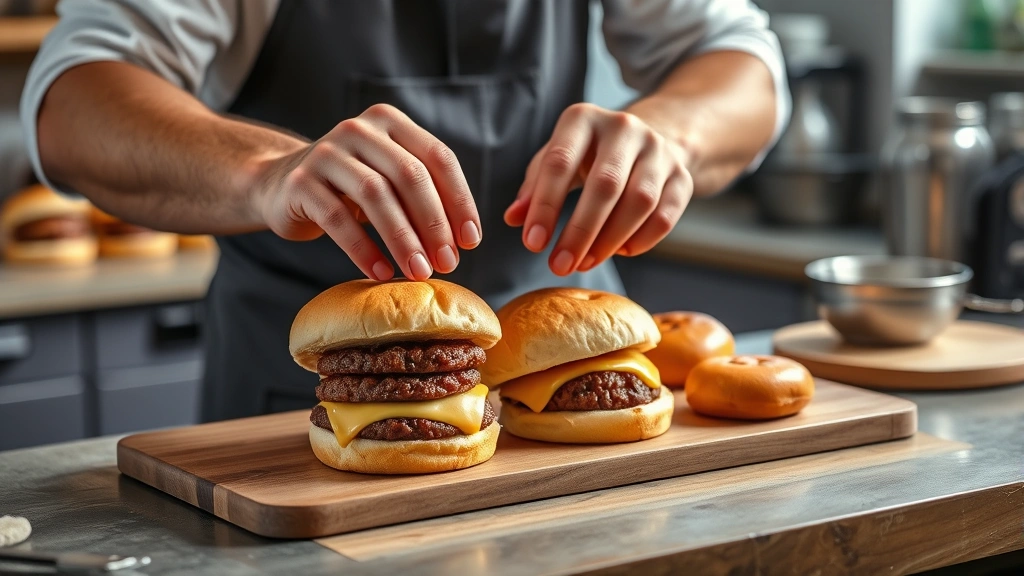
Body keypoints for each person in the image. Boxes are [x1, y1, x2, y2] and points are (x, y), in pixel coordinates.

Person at [21, 0, 789, 421]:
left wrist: (674, 135)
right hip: (294, 401)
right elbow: (74, 96)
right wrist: (264, 171)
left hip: (571, 380)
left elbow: (741, 59)